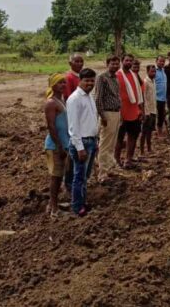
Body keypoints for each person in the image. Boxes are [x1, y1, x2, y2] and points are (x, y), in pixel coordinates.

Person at [66, 68, 98, 217]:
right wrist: (80, 148)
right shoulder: (74, 99)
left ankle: (83, 202)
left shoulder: (89, 96)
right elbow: (73, 127)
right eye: (87, 80)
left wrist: (95, 140)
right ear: (80, 81)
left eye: (92, 80)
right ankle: (77, 206)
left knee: (85, 176)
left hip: (91, 140)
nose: (90, 83)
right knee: (78, 177)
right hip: (82, 143)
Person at [44, 73, 72, 218]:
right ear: (53, 85)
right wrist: (59, 146)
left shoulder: (60, 101)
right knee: (55, 177)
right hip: (55, 146)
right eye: (60, 83)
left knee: (59, 176)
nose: (63, 85)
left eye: (64, 82)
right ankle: (54, 210)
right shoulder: (51, 103)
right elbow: (51, 126)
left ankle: (51, 205)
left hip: (62, 144)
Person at [94, 55, 121, 182]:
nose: (115, 66)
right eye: (113, 64)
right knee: (104, 144)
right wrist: (102, 116)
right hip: (107, 114)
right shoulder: (101, 78)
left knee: (112, 143)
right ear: (107, 64)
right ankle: (102, 173)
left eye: (117, 64)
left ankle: (109, 167)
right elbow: (98, 98)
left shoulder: (115, 78)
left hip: (116, 113)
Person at [115, 54, 144, 169]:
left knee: (133, 135)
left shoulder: (134, 75)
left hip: (134, 111)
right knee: (119, 138)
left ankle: (128, 159)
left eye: (130, 61)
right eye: (126, 60)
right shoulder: (117, 75)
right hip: (122, 112)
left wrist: (141, 109)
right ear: (122, 61)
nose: (129, 62)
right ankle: (116, 160)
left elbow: (139, 94)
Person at [140, 65, 157, 154]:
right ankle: (142, 150)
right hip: (147, 111)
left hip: (153, 110)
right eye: (152, 71)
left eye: (155, 72)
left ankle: (149, 148)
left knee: (150, 131)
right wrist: (145, 112)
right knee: (144, 132)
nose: (154, 73)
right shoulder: (145, 82)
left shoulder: (153, 81)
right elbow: (144, 98)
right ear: (147, 72)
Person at [154, 55, 167, 136]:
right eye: (160, 61)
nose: (162, 62)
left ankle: (159, 129)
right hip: (156, 97)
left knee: (162, 114)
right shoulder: (154, 71)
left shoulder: (163, 71)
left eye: (163, 61)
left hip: (163, 97)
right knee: (159, 115)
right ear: (156, 61)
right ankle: (159, 132)